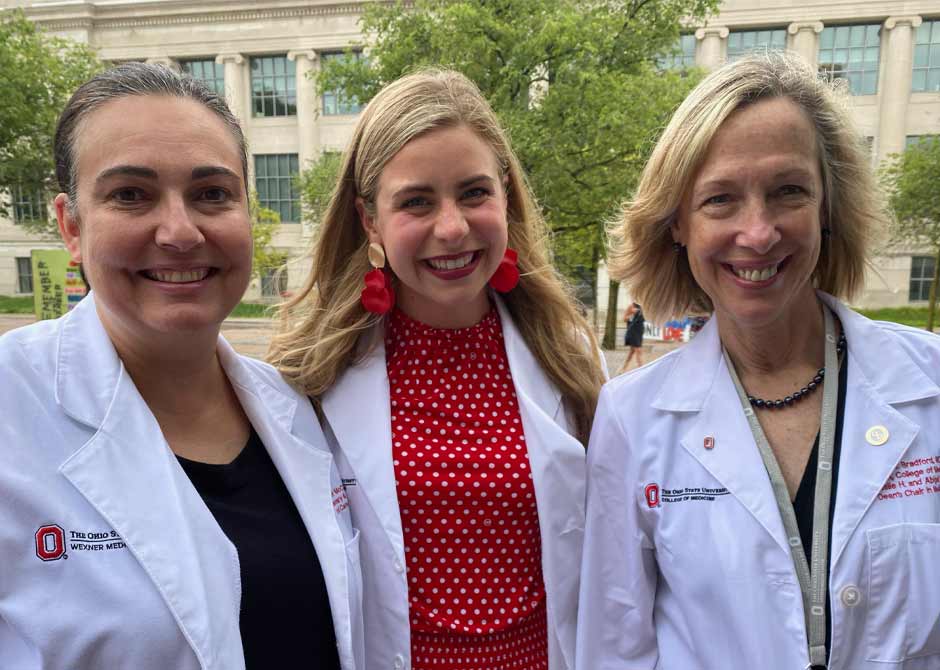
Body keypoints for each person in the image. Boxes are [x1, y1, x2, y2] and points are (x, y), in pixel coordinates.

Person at [577, 52, 940, 670]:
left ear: (827, 208)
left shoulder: (930, 384)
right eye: (719, 199)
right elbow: (615, 646)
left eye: (788, 191)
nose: (759, 232)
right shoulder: (632, 418)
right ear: (677, 226)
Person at [0, 64, 362, 670]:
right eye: (130, 195)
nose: (180, 231)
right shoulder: (10, 410)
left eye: (212, 194)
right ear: (70, 224)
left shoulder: (298, 410)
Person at [268, 69, 607, 670]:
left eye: (474, 192)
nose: (451, 228)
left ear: (506, 195)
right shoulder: (307, 378)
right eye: (417, 201)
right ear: (370, 220)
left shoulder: (571, 358)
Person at [621, 301, 645, 370]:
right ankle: (641, 369)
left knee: (631, 352)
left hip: (639, 331)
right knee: (639, 350)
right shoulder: (631, 306)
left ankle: (623, 368)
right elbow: (624, 319)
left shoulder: (643, 306)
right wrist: (632, 314)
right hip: (633, 331)